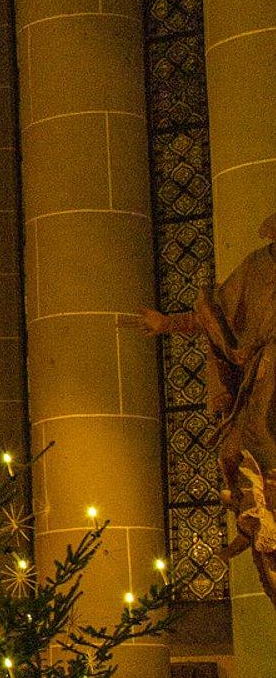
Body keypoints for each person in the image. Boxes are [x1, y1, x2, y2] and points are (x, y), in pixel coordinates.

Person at [128, 213, 276, 606]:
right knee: (236, 449)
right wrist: (167, 323)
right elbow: (218, 318)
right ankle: (259, 520)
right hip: (268, 371)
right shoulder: (259, 266)